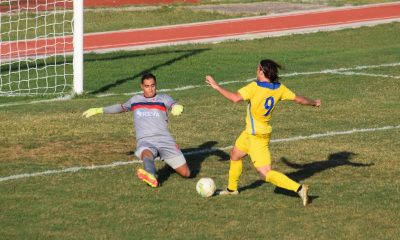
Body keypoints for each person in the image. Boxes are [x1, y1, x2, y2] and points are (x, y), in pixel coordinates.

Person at [205, 59, 321, 206]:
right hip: (250, 133)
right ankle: (231, 189)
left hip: (257, 137)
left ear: (261, 70)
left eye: (257, 68)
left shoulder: (254, 87)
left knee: (265, 174)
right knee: (235, 154)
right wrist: (314, 102)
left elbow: (235, 98)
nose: (255, 70)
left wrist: (216, 86)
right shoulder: (279, 88)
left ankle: (299, 188)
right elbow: (299, 99)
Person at [83, 73, 191, 188]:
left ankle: (168, 162)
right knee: (146, 154)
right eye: (147, 86)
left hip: (164, 140)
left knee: (187, 174)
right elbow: (121, 107)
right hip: (146, 140)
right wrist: (99, 110)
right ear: (142, 87)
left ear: (156, 85)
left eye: (153, 85)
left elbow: (173, 104)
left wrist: (176, 107)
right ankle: (151, 175)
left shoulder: (163, 98)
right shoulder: (135, 100)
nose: (150, 89)